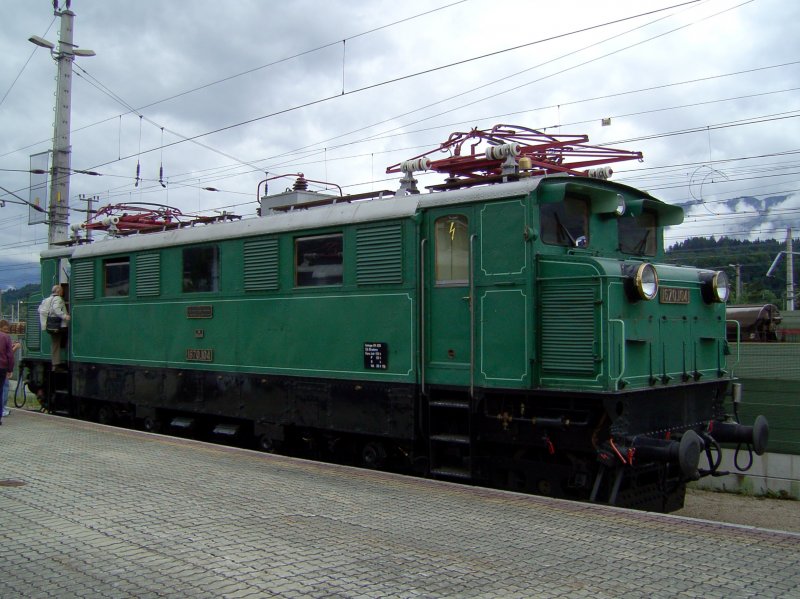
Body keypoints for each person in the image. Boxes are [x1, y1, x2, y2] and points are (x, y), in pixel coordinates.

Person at [38, 284, 70, 369]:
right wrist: (65, 316)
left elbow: (41, 310)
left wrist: (44, 325)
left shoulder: (46, 300)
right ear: (58, 291)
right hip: (59, 325)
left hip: (50, 325)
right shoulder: (58, 299)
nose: (62, 292)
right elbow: (56, 309)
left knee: (55, 343)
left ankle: (55, 363)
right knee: (58, 342)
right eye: (62, 291)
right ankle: (56, 363)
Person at [0, 319, 20, 421]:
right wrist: (10, 369)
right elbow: (9, 356)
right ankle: (2, 410)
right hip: (2, 367)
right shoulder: (6, 337)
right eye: (5, 329)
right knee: (3, 388)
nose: (6, 332)